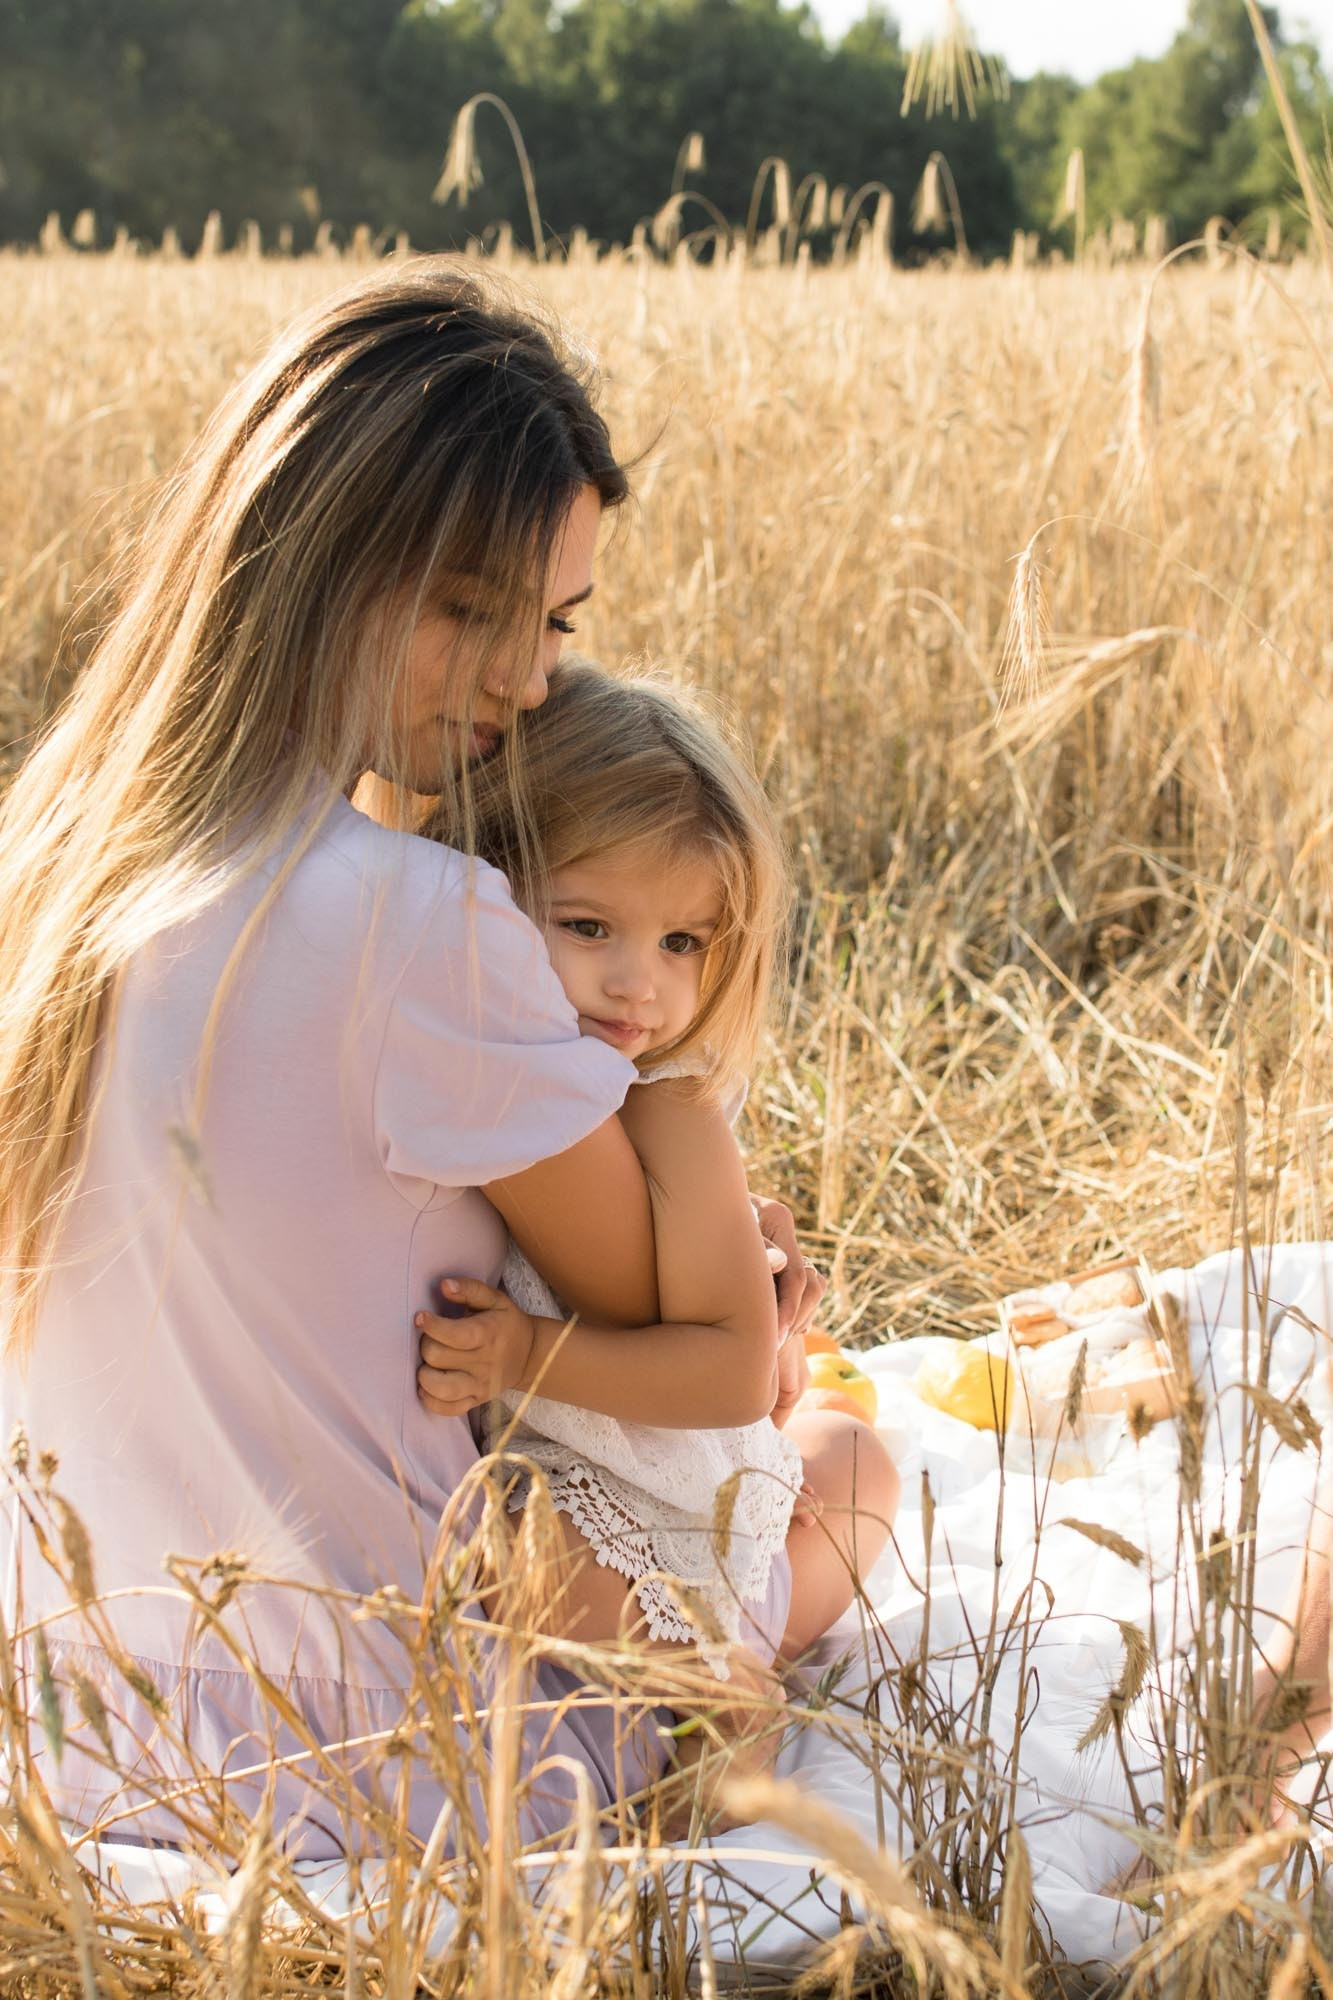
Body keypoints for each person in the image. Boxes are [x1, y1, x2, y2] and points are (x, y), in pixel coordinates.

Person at [0, 262, 847, 1861]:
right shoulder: (419, 924)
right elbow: (673, 1331)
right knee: (834, 1472)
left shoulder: (46, 878)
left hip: (77, 1729)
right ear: (307, 562)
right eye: (473, 610)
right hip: (384, 1754)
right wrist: (744, 1255)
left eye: (557, 624)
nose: (530, 680)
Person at [414, 662, 899, 1715]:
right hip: (604, 1515)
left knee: (854, 1458)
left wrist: (521, 1354)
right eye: (588, 926)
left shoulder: (672, 1108)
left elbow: (729, 1376)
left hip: (655, 1513)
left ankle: (728, 1701)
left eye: (682, 941)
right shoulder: (486, 1059)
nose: (641, 982)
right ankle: (744, 1652)